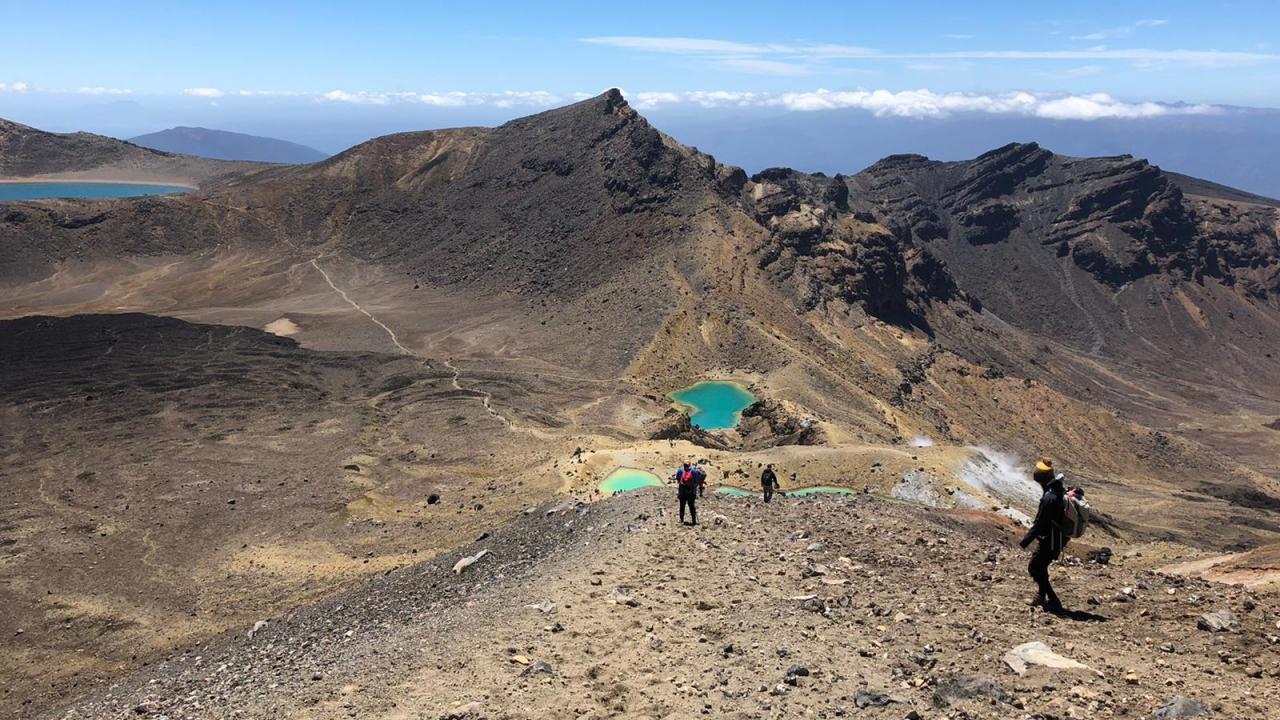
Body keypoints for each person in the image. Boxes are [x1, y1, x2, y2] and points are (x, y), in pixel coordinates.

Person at [1020, 458, 1067, 611]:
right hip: (1056, 538)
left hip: (1050, 539)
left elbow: (1039, 524)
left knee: (1034, 568)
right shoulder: (1057, 490)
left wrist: (1025, 541)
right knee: (1042, 566)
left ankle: (1053, 599)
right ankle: (1042, 596)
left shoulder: (1049, 497)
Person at [673, 462, 705, 526]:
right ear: (690, 465)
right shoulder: (693, 471)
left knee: (682, 506)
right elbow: (696, 481)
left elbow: (678, 480)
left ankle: (681, 520)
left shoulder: (680, 470)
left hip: (682, 492)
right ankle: (694, 521)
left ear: (684, 465)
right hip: (691, 492)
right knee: (692, 506)